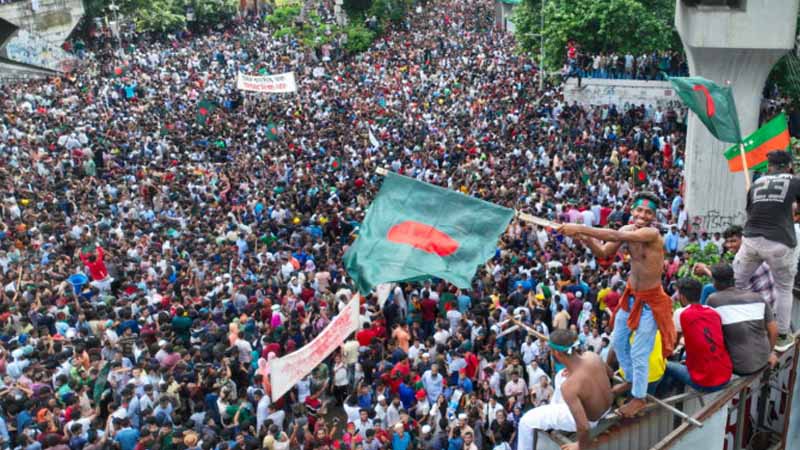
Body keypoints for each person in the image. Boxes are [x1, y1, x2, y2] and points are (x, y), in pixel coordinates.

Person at [558, 192, 676, 417]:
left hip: (651, 302)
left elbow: (611, 233)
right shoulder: (627, 231)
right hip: (631, 297)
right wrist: (585, 239)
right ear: (632, 210)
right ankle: (632, 381)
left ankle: (639, 397)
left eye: (648, 212)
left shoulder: (651, 233)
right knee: (619, 341)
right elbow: (603, 253)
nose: (642, 215)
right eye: (639, 210)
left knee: (640, 352)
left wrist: (581, 228)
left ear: (654, 216)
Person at [735, 150, 800, 350]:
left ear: (769, 166)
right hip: (779, 243)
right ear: (788, 165)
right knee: (783, 288)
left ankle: (734, 321)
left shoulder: (756, 183)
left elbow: (750, 211)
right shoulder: (795, 180)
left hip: (751, 241)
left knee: (737, 283)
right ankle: (781, 334)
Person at [516, 329, 613, 450]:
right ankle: (554, 409)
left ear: (556, 353)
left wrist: (580, 446)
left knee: (525, 421)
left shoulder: (569, 386)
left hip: (590, 420)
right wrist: (575, 371)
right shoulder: (592, 356)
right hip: (605, 408)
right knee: (560, 376)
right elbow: (610, 374)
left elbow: (584, 427)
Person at [705, 264, 779, 375]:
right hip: (763, 359)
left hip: (741, 367)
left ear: (715, 282)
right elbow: (774, 331)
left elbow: (709, 334)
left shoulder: (713, 300)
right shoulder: (757, 297)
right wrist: (769, 352)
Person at [666, 278, 732, 393]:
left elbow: (673, 343)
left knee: (665, 364)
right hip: (726, 373)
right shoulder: (713, 312)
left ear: (682, 297)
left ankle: (665, 395)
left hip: (706, 382)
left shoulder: (680, 313)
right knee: (684, 356)